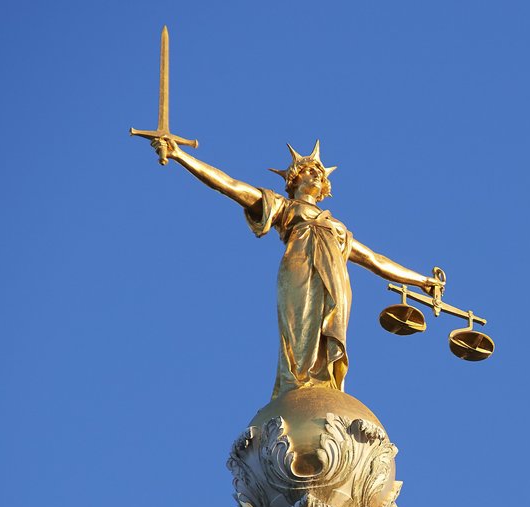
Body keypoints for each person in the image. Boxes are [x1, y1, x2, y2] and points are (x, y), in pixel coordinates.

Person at [149, 137, 442, 397]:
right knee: (301, 327)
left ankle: (323, 385)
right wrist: (181, 156)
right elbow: (231, 186)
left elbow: (375, 259)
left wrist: (422, 282)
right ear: (293, 180)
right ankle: (299, 388)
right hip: (300, 270)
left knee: (331, 325)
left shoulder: (337, 227)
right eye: (308, 171)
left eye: (318, 172)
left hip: (336, 278)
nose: (314, 174)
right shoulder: (284, 207)